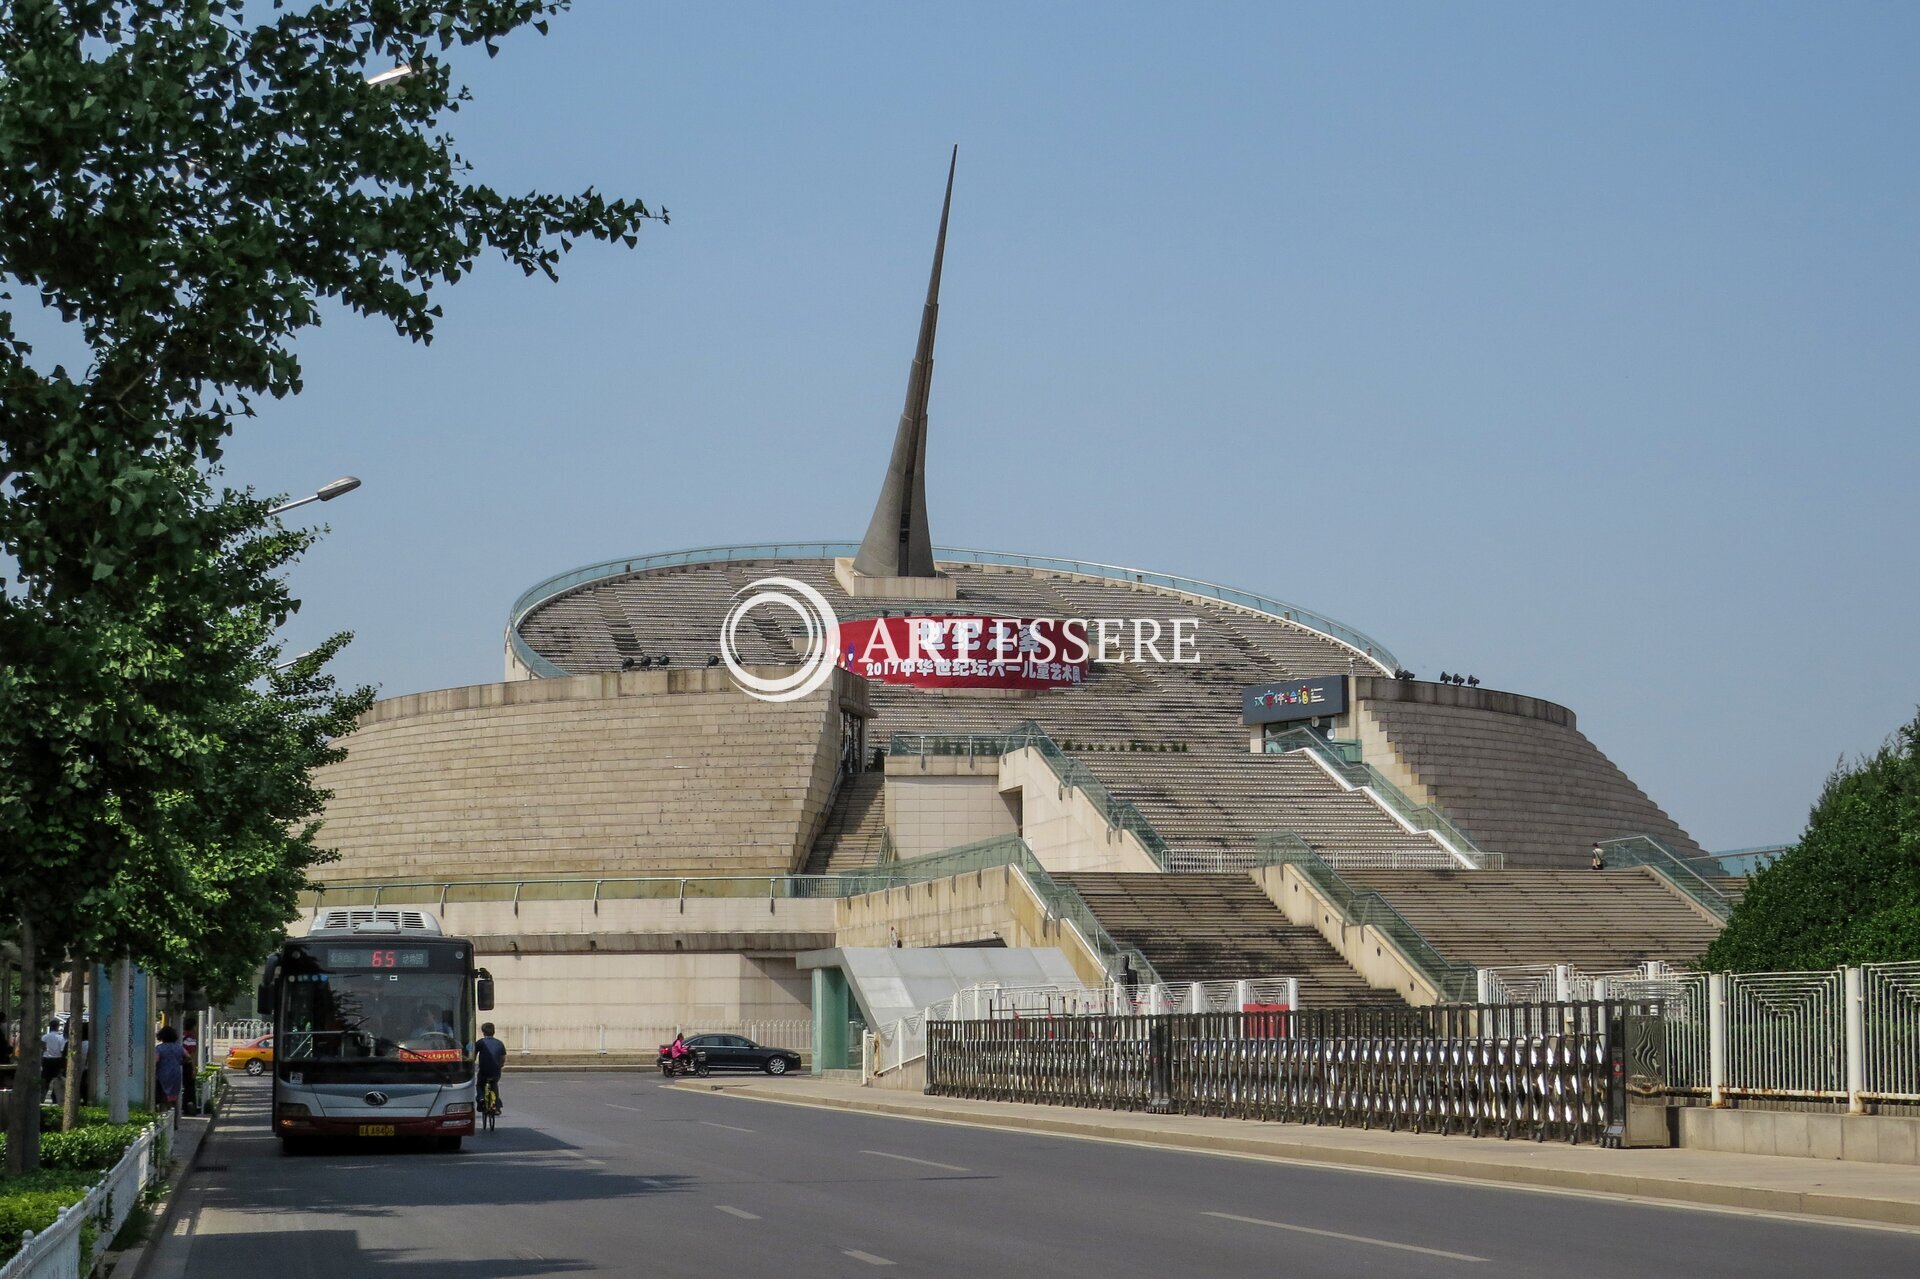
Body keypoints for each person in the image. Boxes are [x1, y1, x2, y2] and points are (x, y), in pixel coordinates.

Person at [154, 1025, 189, 1119]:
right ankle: (175, 1122)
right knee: (174, 1099)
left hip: (162, 1075)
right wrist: (180, 1062)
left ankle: (164, 1121)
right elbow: (187, 1057)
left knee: (163, 1099)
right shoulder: (178, 1047)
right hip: (176, 1074)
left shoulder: (159, 1048)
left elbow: (156, 1061)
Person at [474, 1022, 506, 1112]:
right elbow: (503, 1058)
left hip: (484, 1071)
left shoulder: (480, 1042)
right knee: (494, 1083)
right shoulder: (500, 1043)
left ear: (483, 1032)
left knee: (480, 1084)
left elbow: (473, 1055)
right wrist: (500, 1065)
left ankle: (481, 1098)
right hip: (495, 1071)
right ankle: (496, 1106)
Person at [40, 1019, 67, 1103]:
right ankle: (56, 1099)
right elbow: (62, 1051)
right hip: (57, 1060)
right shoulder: (60, 1038)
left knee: (45, 1080)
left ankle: (42, 1098)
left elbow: (42, 1049)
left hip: (46, 1060)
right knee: (58, 1080)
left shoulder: (44, 1037)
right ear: (57, 1027)